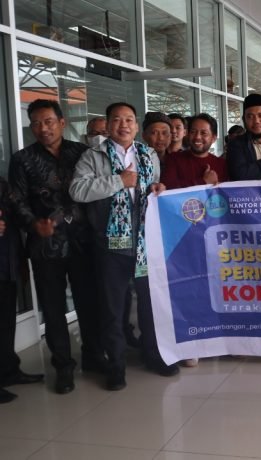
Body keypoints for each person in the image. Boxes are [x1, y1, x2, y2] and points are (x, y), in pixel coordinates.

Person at [70, 102, 176, 392]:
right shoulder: (93, 155)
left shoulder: (147, 154)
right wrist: (118, 181)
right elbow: (77, 190)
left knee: (150, 305)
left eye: (129, 119)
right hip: (110, 246)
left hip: (145, 243)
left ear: (136, 126)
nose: (123, 125)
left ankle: (154, 355)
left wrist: (158, 188)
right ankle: (115, 366)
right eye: (117, 120)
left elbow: (153, 185)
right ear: (108, 125)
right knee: (112, 309)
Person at [9, 99, 105, 395]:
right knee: (52, 309)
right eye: (36, 123)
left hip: (82, 240)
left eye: (48, 121)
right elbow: (16, 199)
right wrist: (32, 224)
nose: (43, 128)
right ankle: (63, 366)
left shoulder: (83, 153)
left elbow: (96, 189)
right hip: (46, 244)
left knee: (88, 302)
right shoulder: (23, 159)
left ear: (62, 122)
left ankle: (93, 356)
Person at [0, 175, 44, 403]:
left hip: (7, 261)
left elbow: (16, 215)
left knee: (6, 322)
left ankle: (8, 371)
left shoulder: (2, 183)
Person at [162, 113, 227, 188]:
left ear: (213, 138)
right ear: (188, 134)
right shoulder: (174, 159)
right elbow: (167, 188)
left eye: (203, 133)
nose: (197, 137)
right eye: (193, 132)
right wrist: (203, 181)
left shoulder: (221, 164)